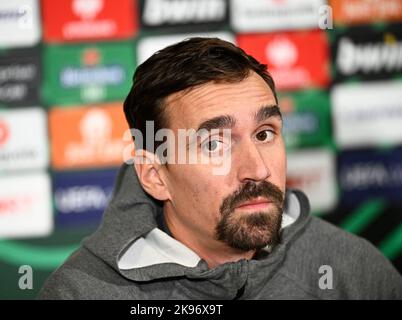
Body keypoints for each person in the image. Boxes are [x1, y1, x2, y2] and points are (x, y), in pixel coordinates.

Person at [39, 37, 402, 300]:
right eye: (214, 143)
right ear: (155, 175)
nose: (257, 169)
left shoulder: (353, 269)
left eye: (264, 133)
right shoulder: (79, 292)